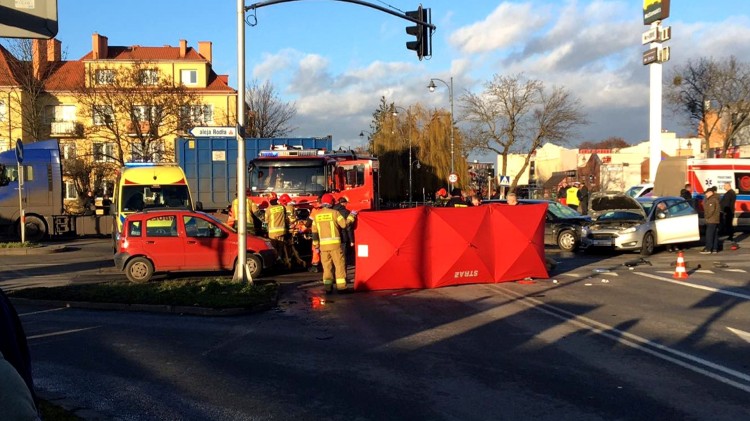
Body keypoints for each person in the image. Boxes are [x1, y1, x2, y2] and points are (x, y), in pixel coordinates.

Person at [311, 193, 356, 293]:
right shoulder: (335, 213)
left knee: (327, 267)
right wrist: (352, 216)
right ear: (331, 202)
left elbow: (314, 232)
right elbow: (344, 224)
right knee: (339, 265)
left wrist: (316, 245)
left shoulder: (316, 215)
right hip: (335, 245)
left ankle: (328, 287)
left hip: (323, 247)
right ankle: (341, 287)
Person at [265, 193, 291, 268]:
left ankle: (276, 260)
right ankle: (280, 258)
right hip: (282, 231)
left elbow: (266, 222)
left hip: (272, 233)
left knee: (273, 247)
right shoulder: (282, 207)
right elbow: (286, 217)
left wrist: (264, 230)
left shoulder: (268, 209)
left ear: (269, 200)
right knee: (280, 246)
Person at [332, 196, 355, 266]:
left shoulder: (332, 211)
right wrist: (351, 240)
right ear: (344, 203)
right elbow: (348, 228)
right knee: (343, 256)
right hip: (343, 237)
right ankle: (342, 272)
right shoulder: (346, 212)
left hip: (333, 236)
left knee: (334, 256)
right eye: (346, 203)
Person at [701, 186, 721, 254]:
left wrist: (707, 217)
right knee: (714, 235)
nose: (705, 195)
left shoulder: (712, 200)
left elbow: (711, 210)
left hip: (711, 220)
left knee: (709, 234)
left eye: (706, 193)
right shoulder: (715, 199)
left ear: (710, 192)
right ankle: (715, 248)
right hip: (715, 220)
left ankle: (708, 249)